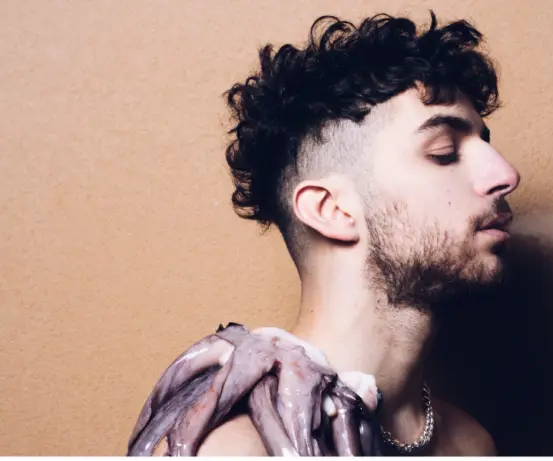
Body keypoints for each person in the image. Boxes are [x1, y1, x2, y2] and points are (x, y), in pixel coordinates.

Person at [180, 10, 519, 456]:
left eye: (485, 144)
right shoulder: (235, 449)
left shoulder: (471, 443)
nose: (506, 175)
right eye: (444, 152)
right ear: (332, 211)